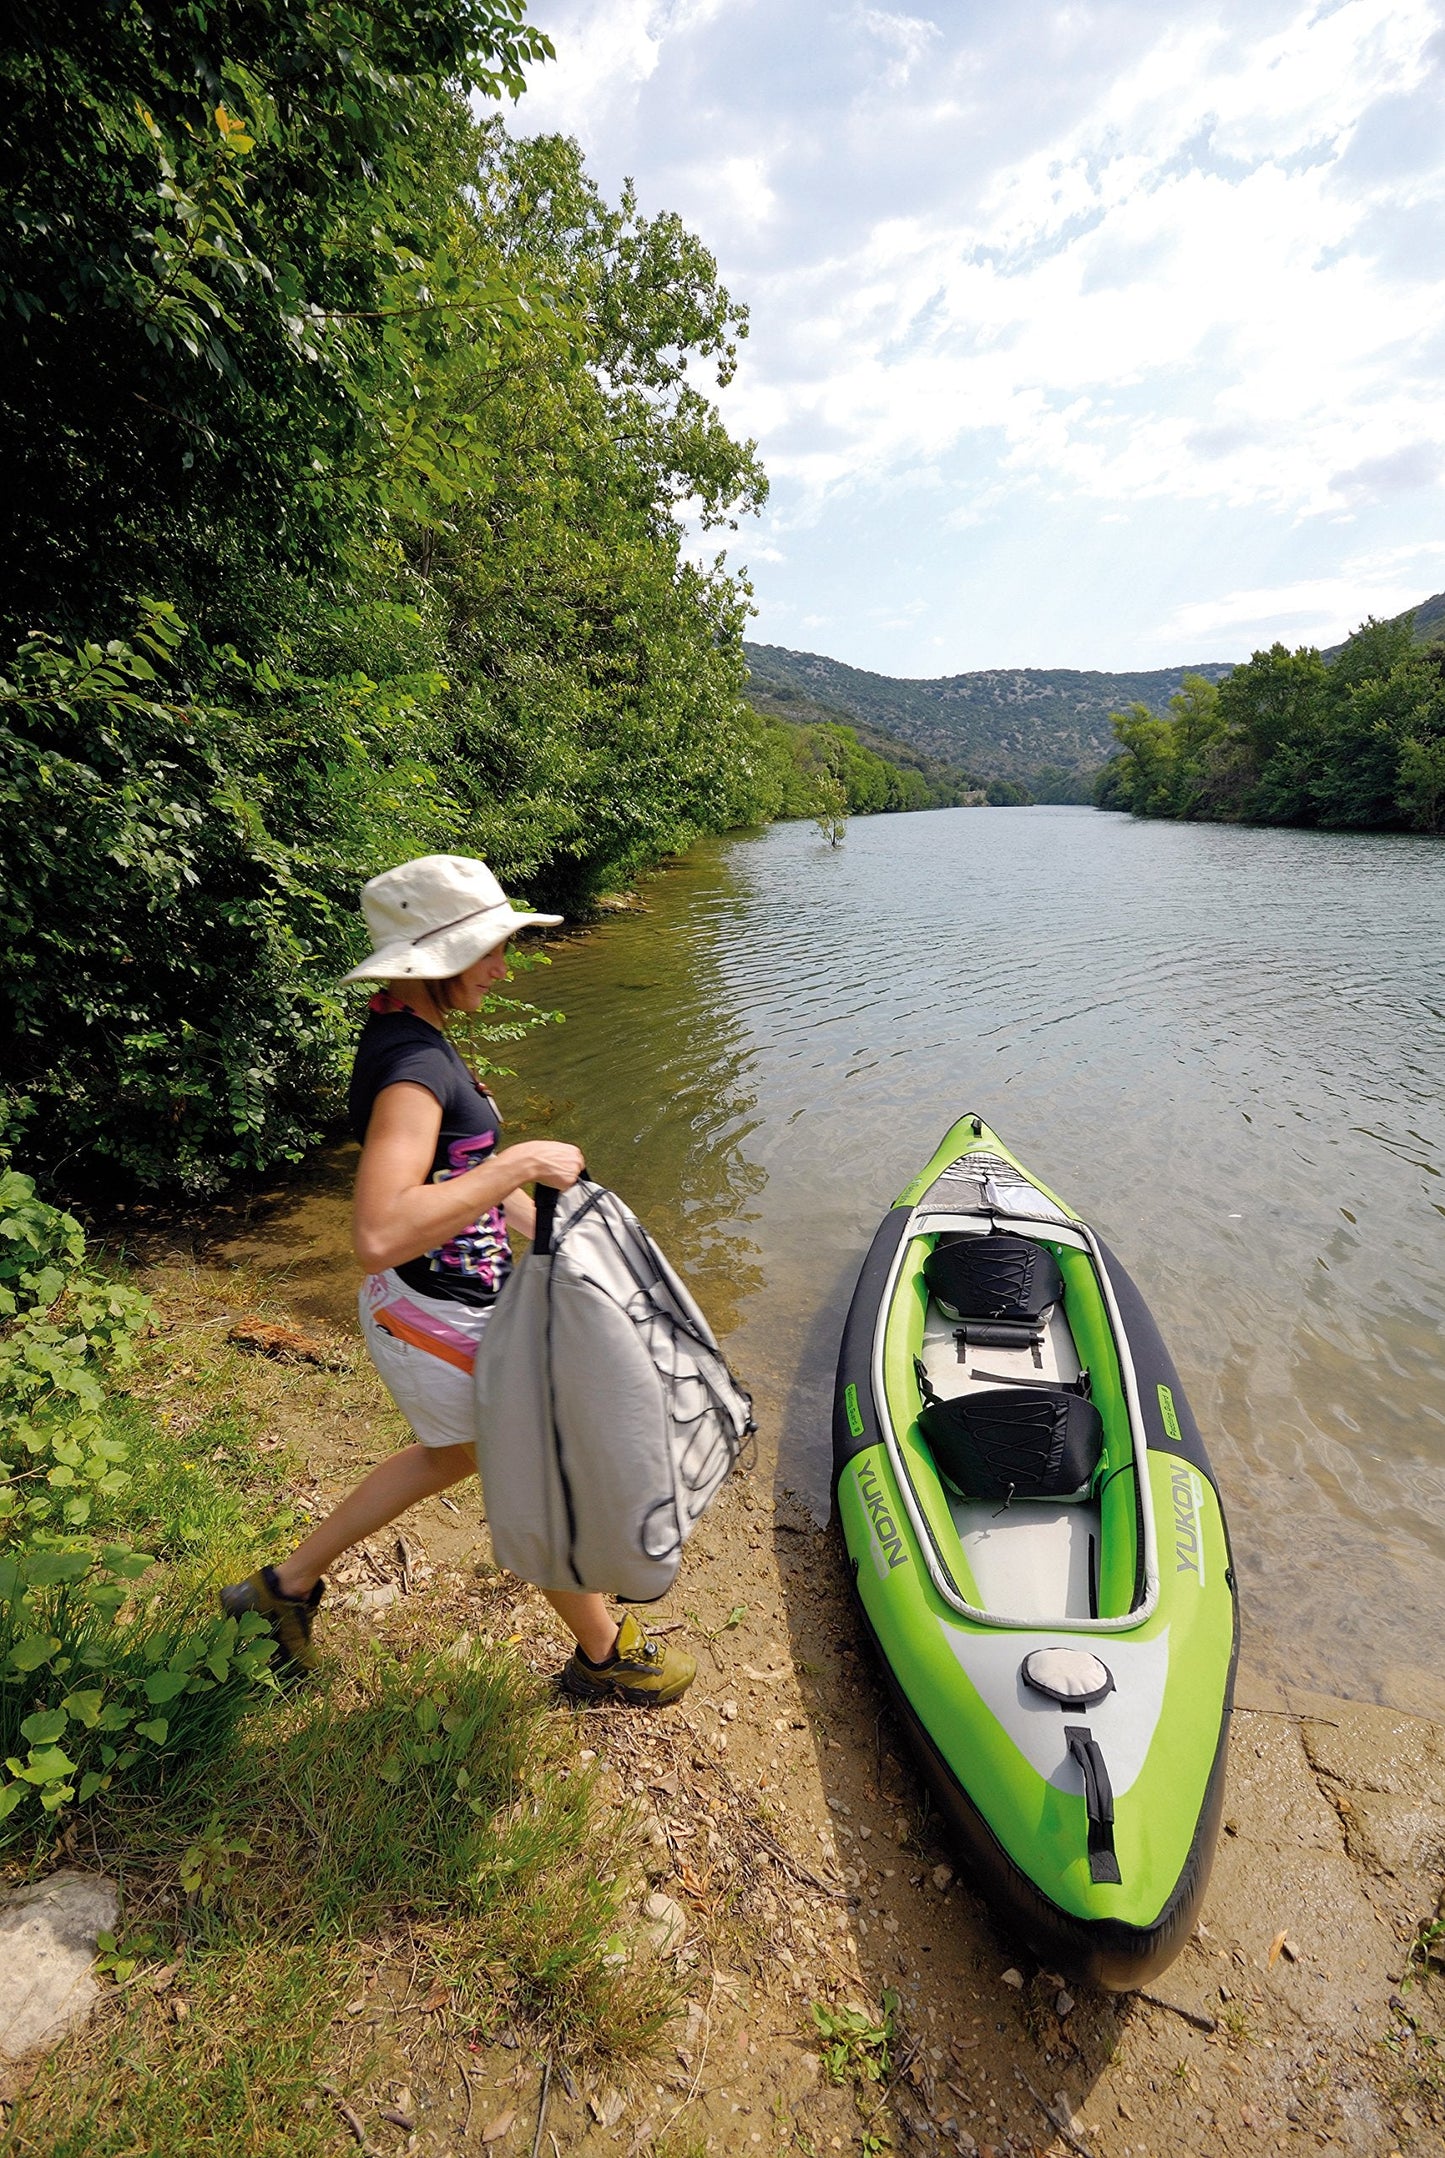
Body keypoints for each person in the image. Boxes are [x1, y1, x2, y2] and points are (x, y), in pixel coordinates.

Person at [221, 854, 696, 1707]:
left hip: (440, 1302)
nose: (502, 968)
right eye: (491, 951)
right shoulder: (413, 1070)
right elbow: (378, 1231)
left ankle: (279, 1592)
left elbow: (460, 1180)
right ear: (437, 960)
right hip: (429, 1309)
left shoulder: (418, 1043)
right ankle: (602, 1655)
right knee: (535, 1469)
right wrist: (519, 1157)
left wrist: (571, 1235)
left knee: (454, 1459)